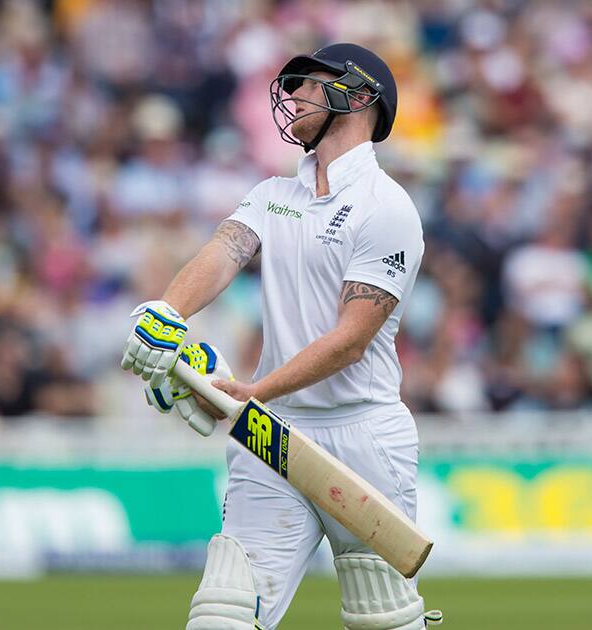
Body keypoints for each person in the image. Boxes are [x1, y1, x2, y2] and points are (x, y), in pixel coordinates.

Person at [120, 44, 440, 629]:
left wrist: (252, 392)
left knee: (381, 617)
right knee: (224, 610)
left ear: (360, 95)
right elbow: (225, 251)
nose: (293, 96)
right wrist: (166, 313)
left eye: (311, 84)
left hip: (364, 433)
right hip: (273, 431)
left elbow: (351, 340)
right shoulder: (274, 195)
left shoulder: (386, 207)